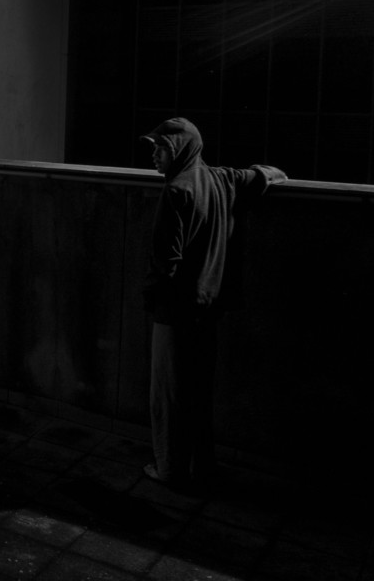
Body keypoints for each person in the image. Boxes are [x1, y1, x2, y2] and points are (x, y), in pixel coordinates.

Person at [140, 117, 286, 493]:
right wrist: (269, 173)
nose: (154, 155)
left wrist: (152, 298)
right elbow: (268, 174)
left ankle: (169, 469)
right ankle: (200, 467)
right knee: (198, 393)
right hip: (209, 308)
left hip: (176, 312)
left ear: (180, 151)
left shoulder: (176, 191)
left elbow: (165, 264)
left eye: (161, 149)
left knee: (169, 395)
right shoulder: (222, 180)